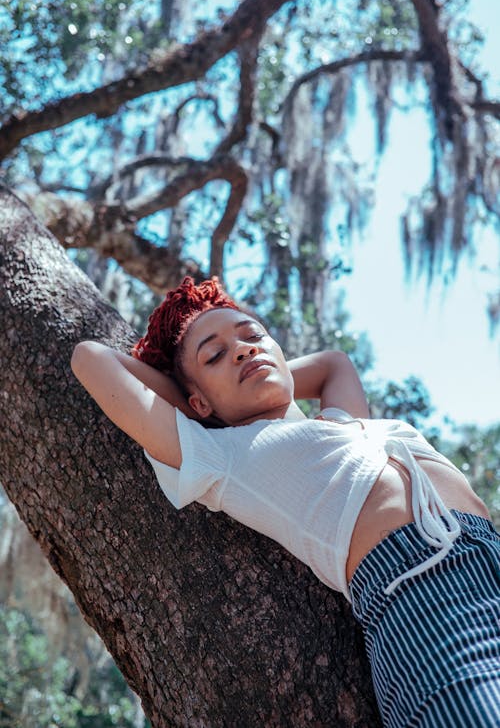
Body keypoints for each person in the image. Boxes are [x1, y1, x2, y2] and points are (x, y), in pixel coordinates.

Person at [71, 276, 499, 728]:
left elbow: (335, 363)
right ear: (195, 401)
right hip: (423, 596)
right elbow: (90, 358)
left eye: (252, 336)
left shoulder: (340, 422)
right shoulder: (223, 455)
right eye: (214, 355)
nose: (242, 349)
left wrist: (250, 370)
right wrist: (199, 403)